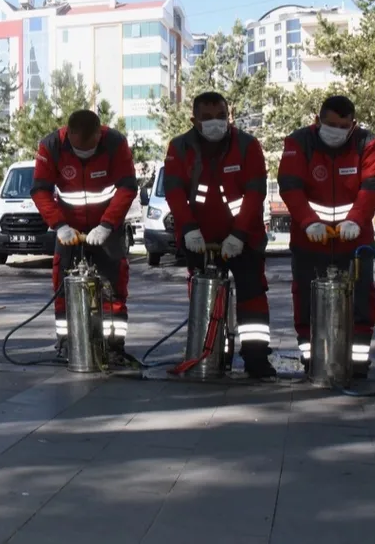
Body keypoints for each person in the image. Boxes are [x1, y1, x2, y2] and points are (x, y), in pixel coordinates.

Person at [163, 91, 276, 378]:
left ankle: (256, 358)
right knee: (205, 297)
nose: (216, 123)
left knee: (252, 296)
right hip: (198, 238)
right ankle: (210, 354)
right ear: (194, 120)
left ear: (230, 116)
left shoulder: (248, 146)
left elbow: (255, 194)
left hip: (243, 236)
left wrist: (238, 236)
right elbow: (174, 192)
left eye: (221, 116)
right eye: (208, 118)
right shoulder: (180, 148)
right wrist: (188, 230)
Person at [278, 95, 375, 379]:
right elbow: (290, 185)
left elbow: (373, 184)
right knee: (305, 297)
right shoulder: (299, 142)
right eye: (329, 124)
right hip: (309, 238)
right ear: (318, 120)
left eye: (342, 125)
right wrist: (307, 222)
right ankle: (311, 357)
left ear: (353, 124)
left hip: (355, 239)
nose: (335, 130)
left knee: (362, 297)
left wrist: (356, 219)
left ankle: (358, 359)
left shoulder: (367, 143)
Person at [31, 109, 137, 361]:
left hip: (106, 227)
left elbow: (127, 187)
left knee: (114, 285)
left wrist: (107, 225)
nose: (83, 153)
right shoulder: (51, 146)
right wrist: (59, 225)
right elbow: (40, 190)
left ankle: (113, 345)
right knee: (62, 285)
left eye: (88, 148)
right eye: (78, 148)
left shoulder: (115, 143)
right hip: (69, 228)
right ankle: (68, 342)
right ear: (69, 134)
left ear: (99, 135)